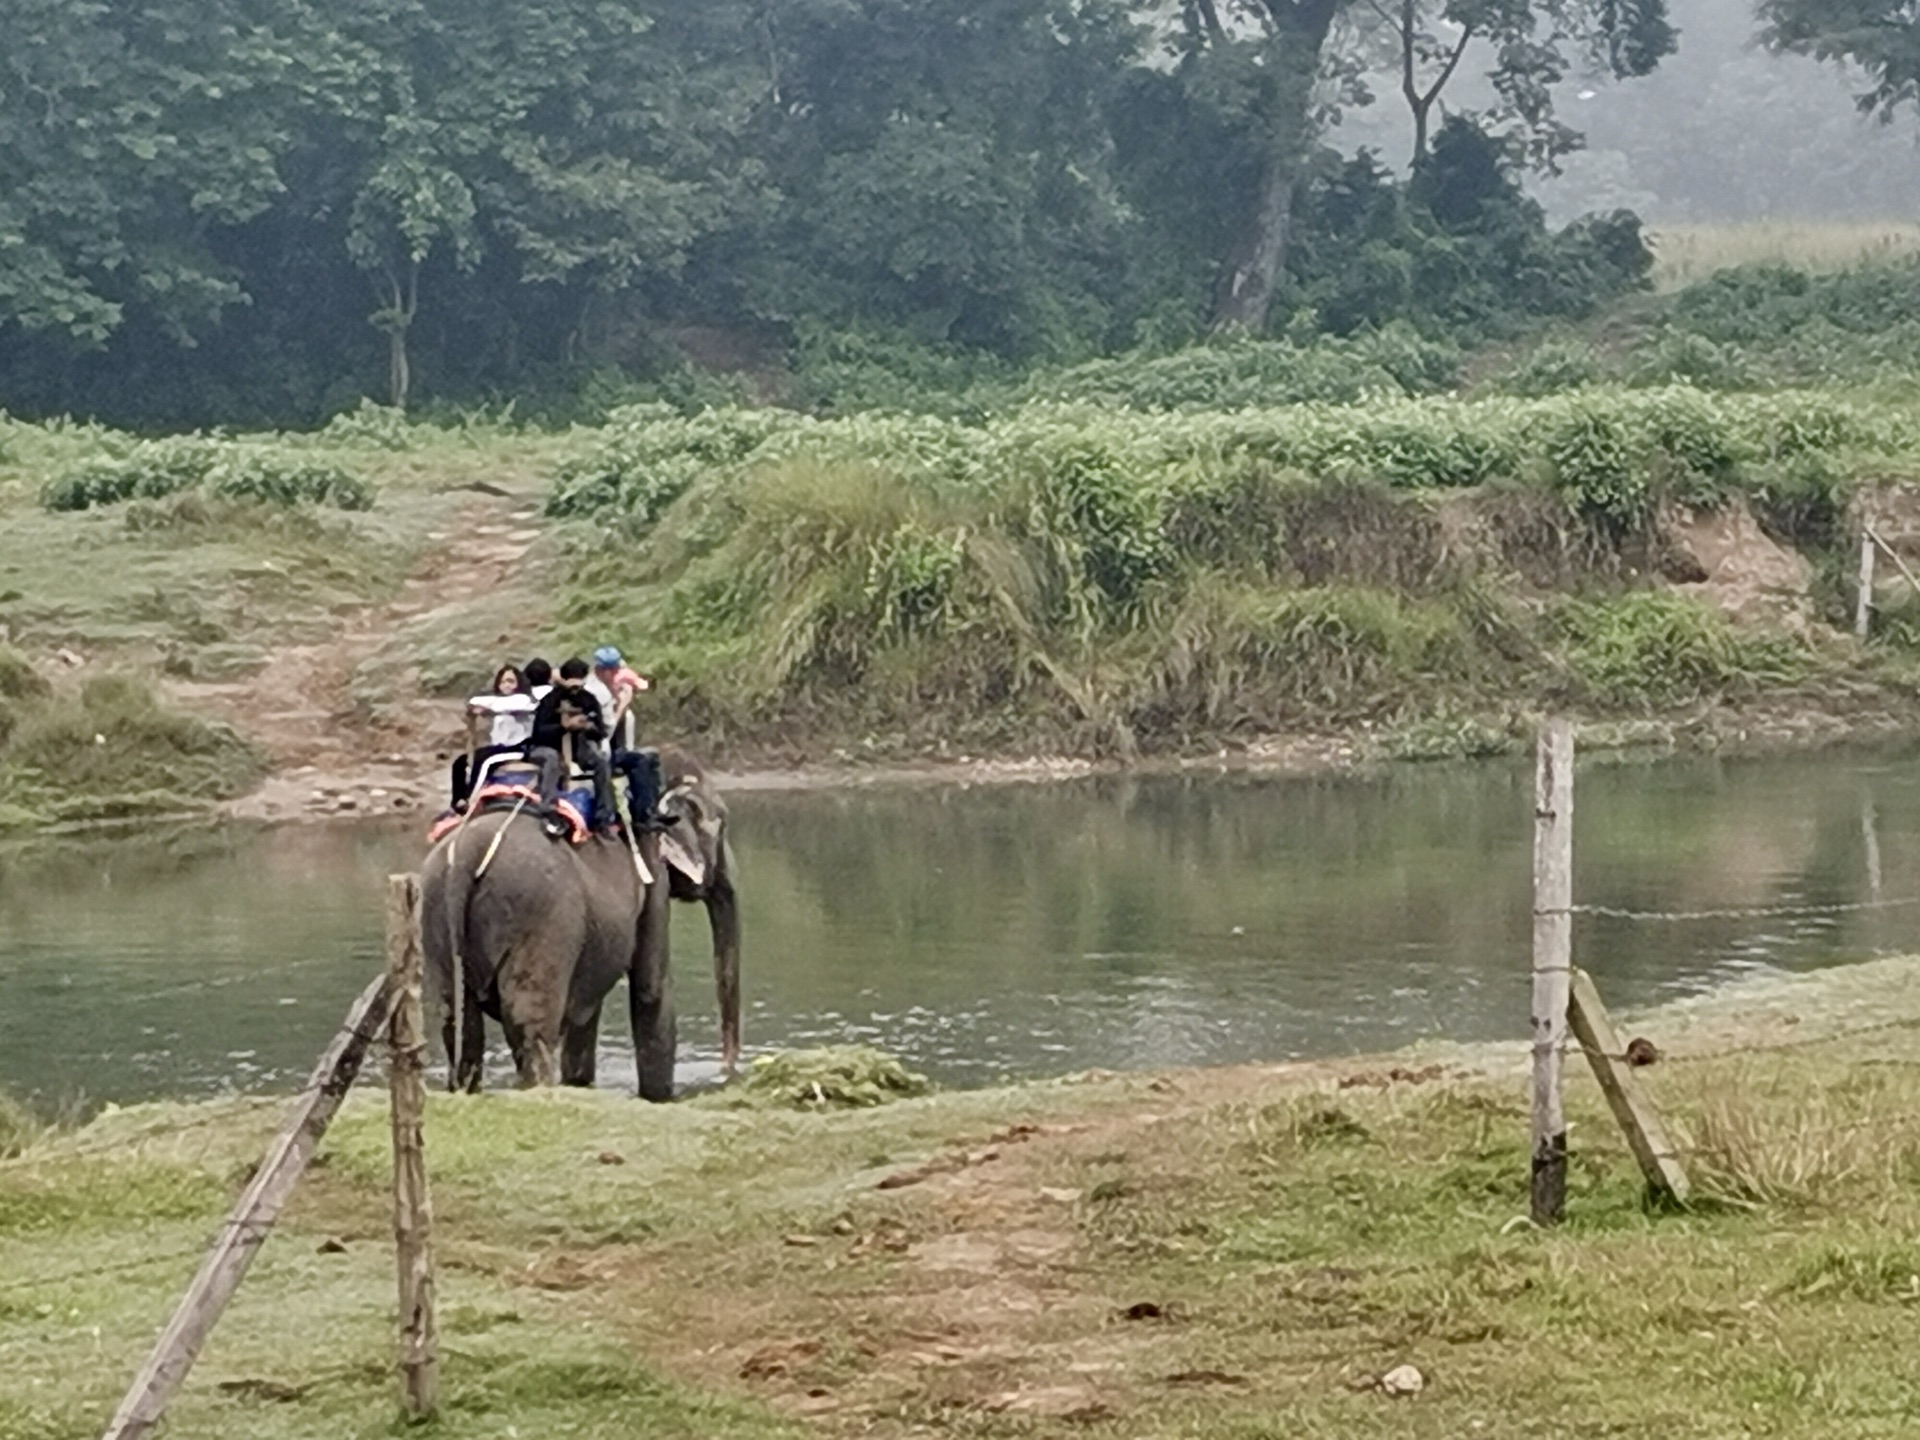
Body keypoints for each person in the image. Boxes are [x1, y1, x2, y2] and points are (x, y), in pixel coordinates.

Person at [527, 657, 617, 834]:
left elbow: (600, 731)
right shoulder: (550, 700)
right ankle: (548, 808)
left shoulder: (589, 699)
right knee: (551, 760)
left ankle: (603, 816)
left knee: (600, 763)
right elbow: (539, 732)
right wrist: (563, 727)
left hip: (578, 746)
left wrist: (589, 727)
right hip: (549, 746)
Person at [592, 644, 663, 828]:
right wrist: (622, 705)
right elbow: (607, 730)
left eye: (617, 668)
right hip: (600, 751)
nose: (616, 673)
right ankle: (643, 815)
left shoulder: (608, 687)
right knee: (639, 761)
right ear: (600, 670)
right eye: (612, 669)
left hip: (607, 748)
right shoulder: (599, 693)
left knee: (651, 757)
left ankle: (654, 807)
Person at [449, 664, 535, 809]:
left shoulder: (524, 700)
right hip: (499, 747)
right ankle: (458, 800)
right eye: (503, 682)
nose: (506, 685)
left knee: (485, 760)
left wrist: (480, 705)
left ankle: (472, 799)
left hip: (518, 748)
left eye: (511, 681)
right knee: (460, 762)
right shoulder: (497, 701)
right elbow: (478, 702)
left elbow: (497, 704)